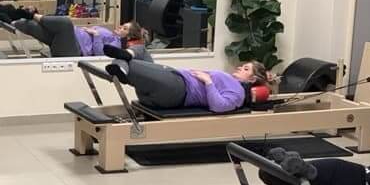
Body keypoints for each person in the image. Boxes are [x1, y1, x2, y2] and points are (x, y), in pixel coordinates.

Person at [101, 45, 266, 113]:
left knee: (132, 63)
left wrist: (208, 82)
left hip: (177, 90)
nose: (239, 68)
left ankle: (123, 66)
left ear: (252, 80)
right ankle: (123, 63)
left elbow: (219, 106)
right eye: (242, 66)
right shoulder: (231, 81)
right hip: (170, 84)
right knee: (141, 51)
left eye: (246, 69)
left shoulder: (238, 93)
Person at [11, 13, 152, 59]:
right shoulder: (112, 35)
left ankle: (33, 14)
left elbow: (100, 54)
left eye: (124, 28)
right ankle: (11, 19)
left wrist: (96, 35)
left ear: (128, 36)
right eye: (122, 25)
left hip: (74, 49)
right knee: (35, 27)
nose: (120, 27)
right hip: (70, 39)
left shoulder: (117, 45)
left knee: (65, 23)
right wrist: (87, 31)